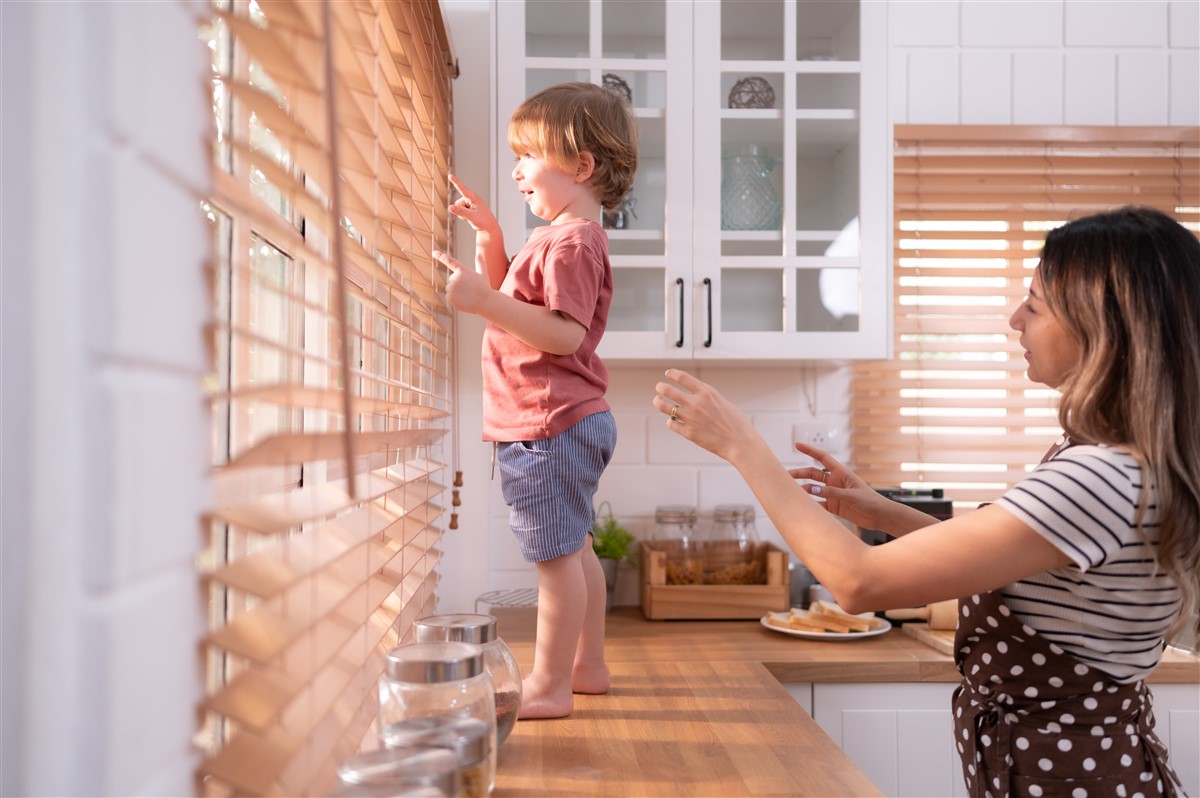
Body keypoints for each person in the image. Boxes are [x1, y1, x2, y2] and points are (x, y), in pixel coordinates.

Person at [653, 206, 1199, 796]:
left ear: (1103, 326)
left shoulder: (1099, 477)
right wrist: (880, 514)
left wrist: (743, 446)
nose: (1015, 320)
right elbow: (1007, 567)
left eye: (1035, 305)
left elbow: (858, 582)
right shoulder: (1119, 462)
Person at [432, 81, 638, 719]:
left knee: (555, 562)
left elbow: (563, 333)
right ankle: (588, 667)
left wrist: (485, 302)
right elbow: (522, 307)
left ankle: (549, 686)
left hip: (547, 425)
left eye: (529, 155)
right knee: (574, 549)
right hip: (562, 421)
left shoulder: (571, 242)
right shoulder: (557, 239)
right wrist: (492, 235)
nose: (517, 168)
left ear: (581, 166)